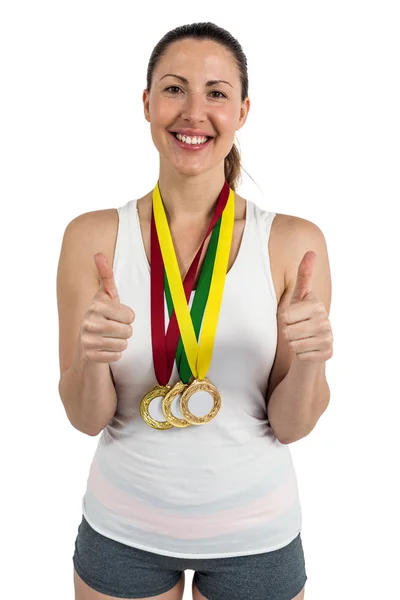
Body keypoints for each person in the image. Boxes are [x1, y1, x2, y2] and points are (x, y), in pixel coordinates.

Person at [57, 21, 333, 600]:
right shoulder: (92, 238)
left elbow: (292, 425)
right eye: (175, 88)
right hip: (121, 529)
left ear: (243, 110)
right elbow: (86, 418)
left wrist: (311, 362)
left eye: (216, 93)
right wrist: (90, 359)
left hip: (257, 538)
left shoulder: (291, 243)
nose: (193, 112)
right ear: (147, 103)